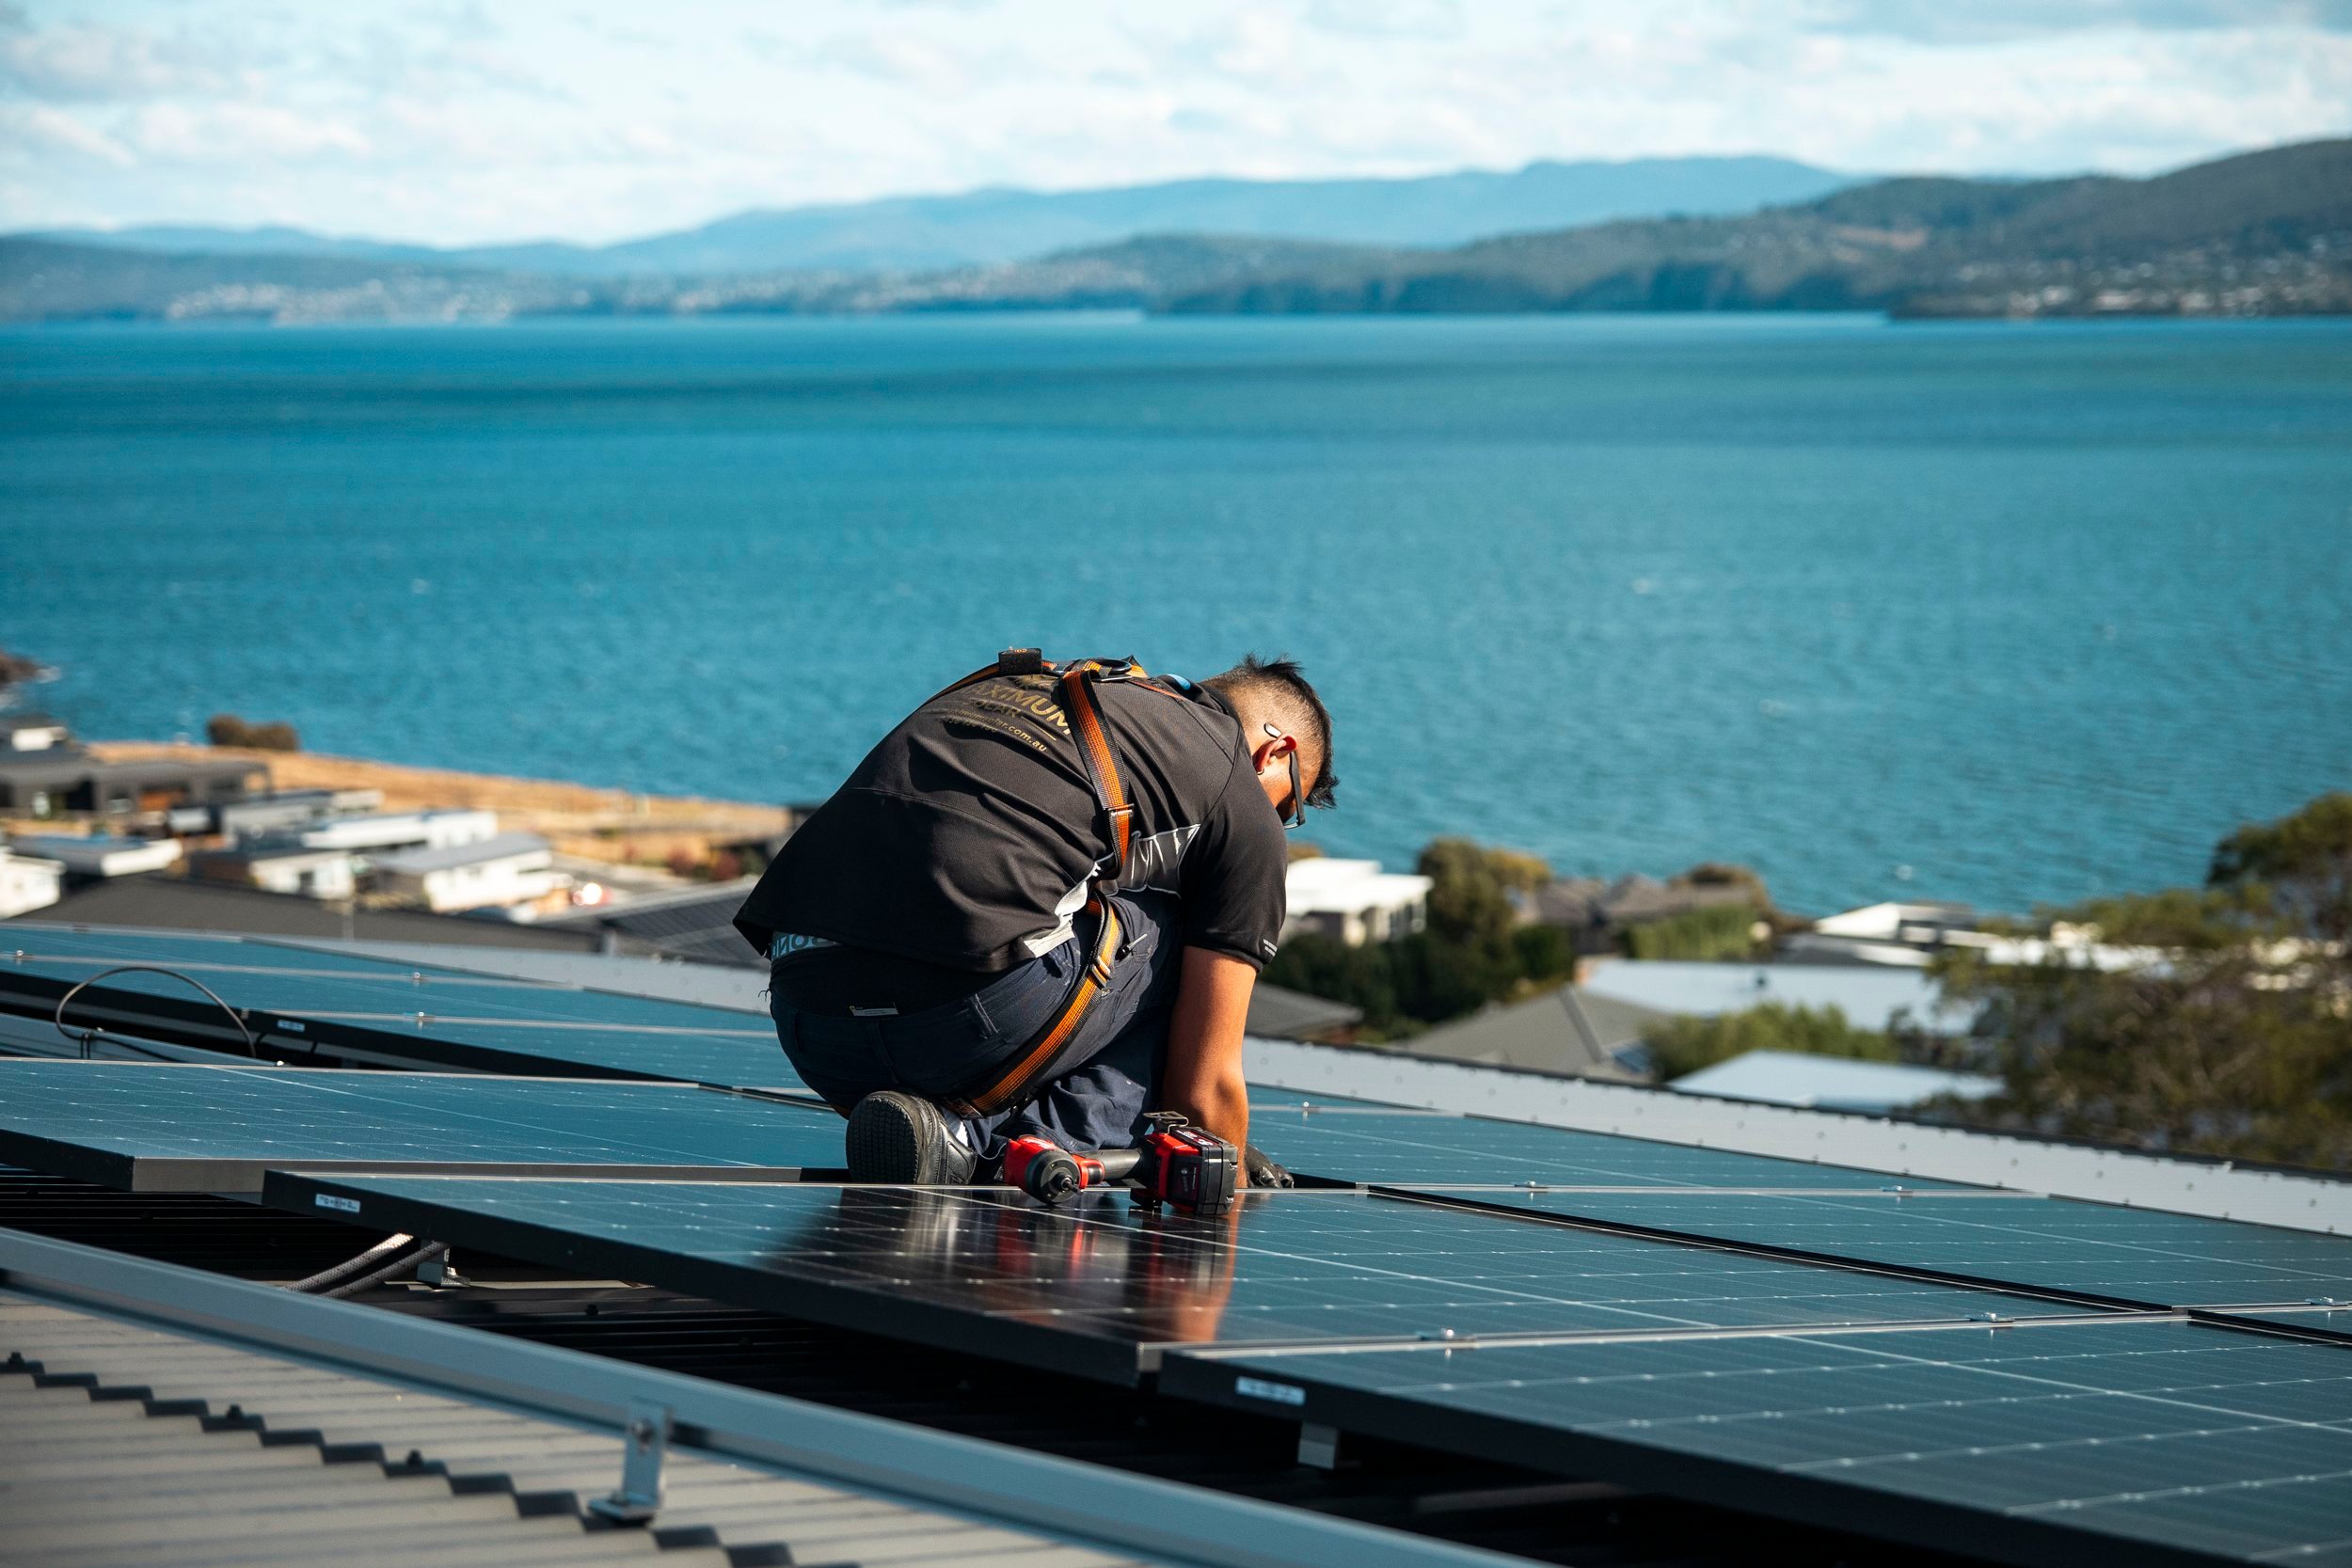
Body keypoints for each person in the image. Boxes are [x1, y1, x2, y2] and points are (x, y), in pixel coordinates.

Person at [734, 651, 1336, 1187]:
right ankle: (1000, 1145)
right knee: (1177, 929)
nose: (1275, 824)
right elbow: (1208, 1084)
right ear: (1274, 752)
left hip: (813, 1030)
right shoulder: (1235, 785)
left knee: (1077, 906)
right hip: (951, 1027)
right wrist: (1219, 1166)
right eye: (1289, 807)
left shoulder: (1037, 686)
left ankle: (939, 1134)